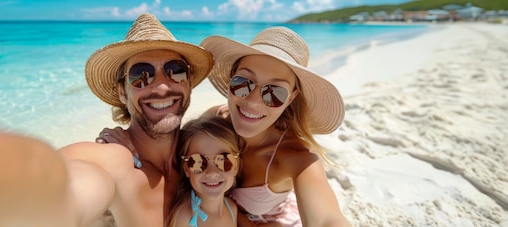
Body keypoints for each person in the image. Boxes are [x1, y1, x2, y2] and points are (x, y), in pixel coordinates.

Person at [59, 13, 213, 226]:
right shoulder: (117, 160)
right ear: (122, 93)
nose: (161, 87)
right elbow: (52, 180)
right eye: (141, 75)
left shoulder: (203, 156)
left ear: (188, 84)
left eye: (176, 72)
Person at [200, 27, 351, 226]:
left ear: (290, 99)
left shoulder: (296, 157)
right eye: (243, 82)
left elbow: (327, 220)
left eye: (274, 93)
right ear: (230, 79)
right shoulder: (214, 119)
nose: (253, 102)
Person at [167, 116, 240, 227]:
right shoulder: (184, 218)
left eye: (223, 160)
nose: (212, 172)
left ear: (235, 166)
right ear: (186, 168)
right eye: (198, 162)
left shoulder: (232, 208)